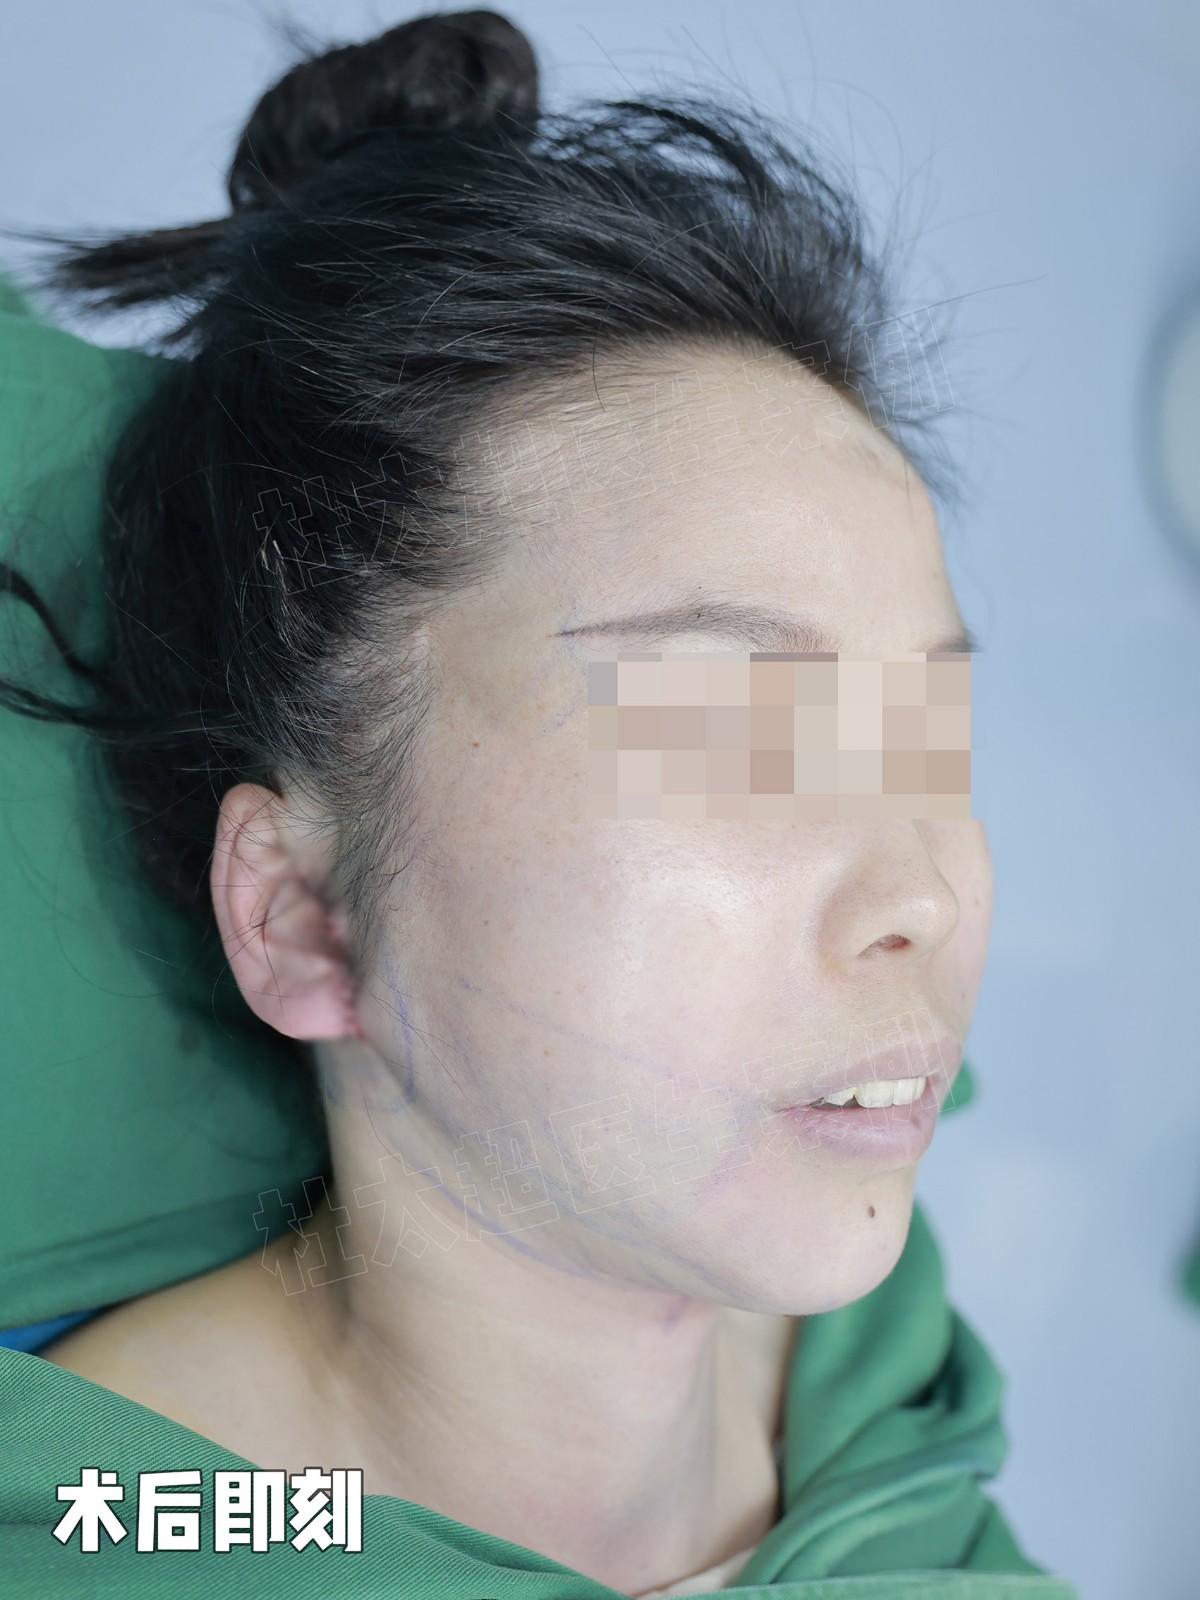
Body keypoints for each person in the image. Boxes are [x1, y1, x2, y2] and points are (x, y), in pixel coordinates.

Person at [0, 10, 1080, 1597]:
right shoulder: (129, 1531)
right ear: (302, 916)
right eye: (744, 737)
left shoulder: (886, 1402)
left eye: (929, 738)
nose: (924, 892)